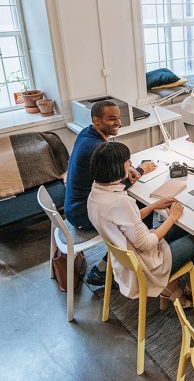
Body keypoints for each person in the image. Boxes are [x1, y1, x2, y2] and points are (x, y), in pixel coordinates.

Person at [87, 142, 194, 304]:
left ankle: (176, 286)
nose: (131, 164)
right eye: (127, 161)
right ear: (116, 167)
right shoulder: (119, 202)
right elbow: (147, 244)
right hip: (146, 266)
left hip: (127, 258)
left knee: (181, 229)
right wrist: (172, 217)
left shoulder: (96, 193)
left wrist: (154, 206)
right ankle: (191, 289)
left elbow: (125, 221)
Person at [64, 100, 156, 285]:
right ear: (96, 121)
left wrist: (124, 167)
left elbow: (107, 178)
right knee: (140, 207)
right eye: (112, 118)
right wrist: (140, 169)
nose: (118, 123)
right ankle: (113, 265)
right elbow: (116, 186)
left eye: (119, 118)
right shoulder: (95, 148)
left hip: (73, 206)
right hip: (85, 213)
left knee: (133, 207)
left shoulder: (86, 134)